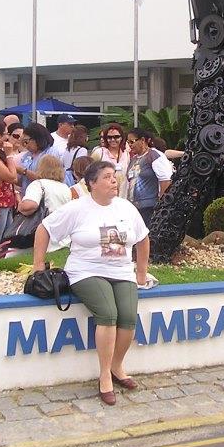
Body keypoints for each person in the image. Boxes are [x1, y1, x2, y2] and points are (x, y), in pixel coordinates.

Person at [32, 160, 150, 406]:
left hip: (121, 271)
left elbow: (143, 238)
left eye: (114, 176)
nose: (113, 181)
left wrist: (141, 273)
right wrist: (38, 264)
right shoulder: (77, 208)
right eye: (107, 177)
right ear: (92, 183)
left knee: (128, 317)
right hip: (86, 271)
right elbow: (44, 228)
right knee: (108, 313)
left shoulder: (126, 207)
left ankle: (117, 366)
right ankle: (104, 375)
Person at [125, 129, 173, 226]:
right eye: (128, 142)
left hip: (150, 207)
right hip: (134, 208)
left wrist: (161, 205)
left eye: (132, 142)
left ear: (143, 140)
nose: (129, 145)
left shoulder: (154, 155)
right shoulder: (134, 159)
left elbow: (165, 180)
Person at [91, 123, 130, 198]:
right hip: (104, 196)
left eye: (116, 137)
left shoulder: (126, 154)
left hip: (123, 196)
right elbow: (90, 173)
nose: (113, 140)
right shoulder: (99, 153)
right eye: (109, 137)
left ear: (122, 137)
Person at [16, 122, 54, 191]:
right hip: (28, 194)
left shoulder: (50, 153)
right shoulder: (26, 155)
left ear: (37, 138)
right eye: (23, 143)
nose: (25, 146)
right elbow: (23, 182)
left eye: (26, 142)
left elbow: (46, 179)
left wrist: (24, 171)